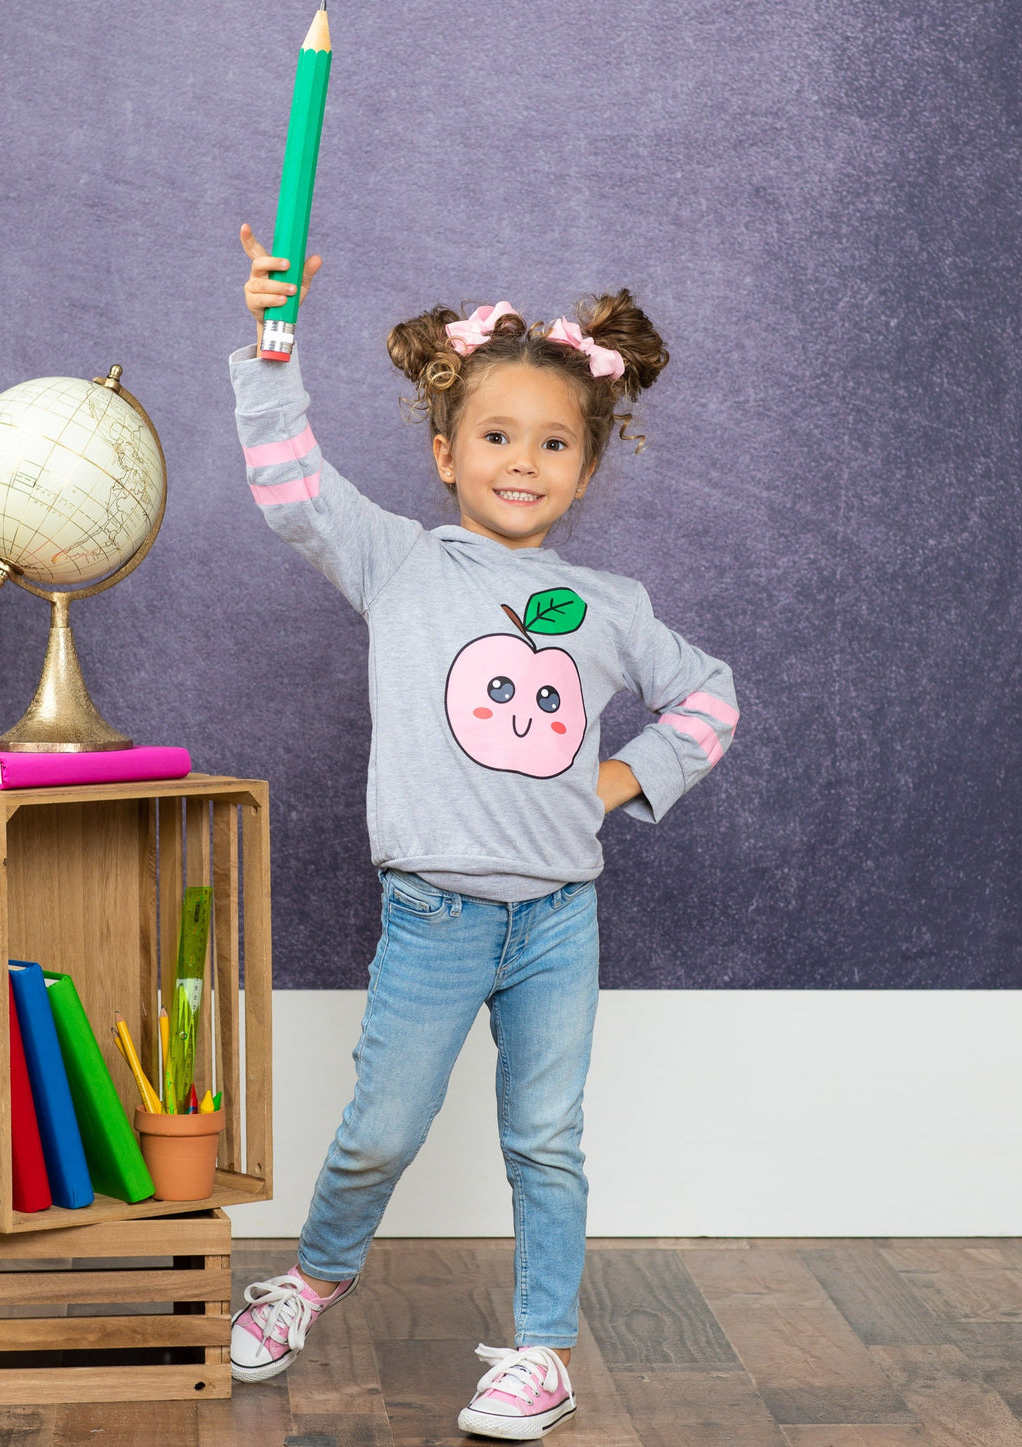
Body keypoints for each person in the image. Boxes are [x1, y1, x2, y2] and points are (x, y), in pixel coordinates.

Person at [228, 224, 738, 1441]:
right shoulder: (398, 564)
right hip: (434, 916)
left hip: (560, 919)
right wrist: (272, 343)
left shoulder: (609, 606)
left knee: (546, 1140)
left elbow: (710, 697)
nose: (524, 461)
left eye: (554, 442)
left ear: (586, 467)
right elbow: (290, 484)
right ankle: (311, 1279)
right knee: (381, 1131)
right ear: (446, 452)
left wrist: (623, 776)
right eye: (498, 437)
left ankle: (541, 1351)